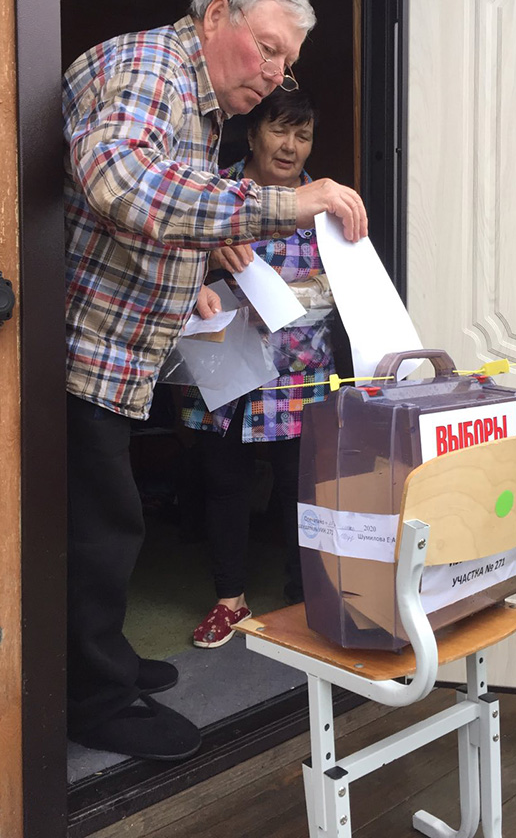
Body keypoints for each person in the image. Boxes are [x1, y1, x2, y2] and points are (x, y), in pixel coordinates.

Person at [64, 0, 367, 761]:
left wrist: (193, 273)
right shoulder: (151, 68)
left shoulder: (196, 104)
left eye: (286, 64)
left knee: (105, 518)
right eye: (267, 49)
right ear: (216, 15)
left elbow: (146, 214)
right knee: (101, 526)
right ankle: (93, 698)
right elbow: (120, 182)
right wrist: (285, 203)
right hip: (84, 347)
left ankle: (101, 658)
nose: (272, 75)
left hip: (124, 351)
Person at [181, 90, 334, 648]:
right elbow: (169, 256)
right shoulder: (211, 192)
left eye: (303, 135)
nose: (291, 146)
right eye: (279, 131)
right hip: (225, 361)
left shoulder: (325, 203)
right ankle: (230, 599)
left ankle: (306, 598)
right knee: (225, 482)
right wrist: (205, 255)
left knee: (302, 487)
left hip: (300, 371)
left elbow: (346, 285)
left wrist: (293, 293)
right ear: (252, 133)